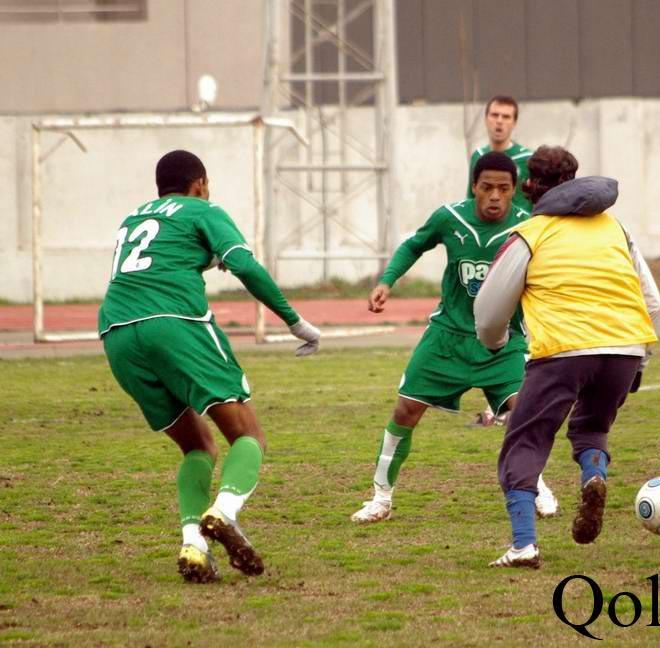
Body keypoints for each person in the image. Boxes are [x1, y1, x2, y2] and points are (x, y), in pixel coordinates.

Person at [98, 150, 321, 583]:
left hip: (117, 333)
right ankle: (223, 512)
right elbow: (245, 265)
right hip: (174, 322)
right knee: (248, 435)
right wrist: (295, 321)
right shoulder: (203, 209)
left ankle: (194, 546)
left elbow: (159, 258)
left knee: (198, 445)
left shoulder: (133, 218)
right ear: (199, 183)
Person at [475, 145, 660, 568]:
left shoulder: (530, 233)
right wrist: (640, 359)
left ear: (529, 186)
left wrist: (495, 343)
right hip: (624, 348)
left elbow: (488, 312)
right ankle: (593, 476)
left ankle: (524, 546)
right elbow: (652, 302)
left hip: (563, 351)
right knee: (592, 427)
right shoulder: (615, 228)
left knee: (525, 442)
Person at [351, 151, 559, 524]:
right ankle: (381, 498)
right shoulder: (450, 217)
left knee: (523, 413)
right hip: (446, 337)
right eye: (487, 187)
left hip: (503, 342)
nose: (495, 196)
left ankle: (536, 484)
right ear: (474, 186)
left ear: (514, 190)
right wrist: (386, 281)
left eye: (503, 188)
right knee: (405, 411)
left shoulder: (528, 227)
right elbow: (414, 245)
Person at [467, 95, 534, 211]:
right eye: (494, 115)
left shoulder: (529, 159)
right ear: (486, 119)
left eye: (506, 117)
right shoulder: (478, 156)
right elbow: (471, 198)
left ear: (514, 122)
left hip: (521, 222)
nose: (499, 121)